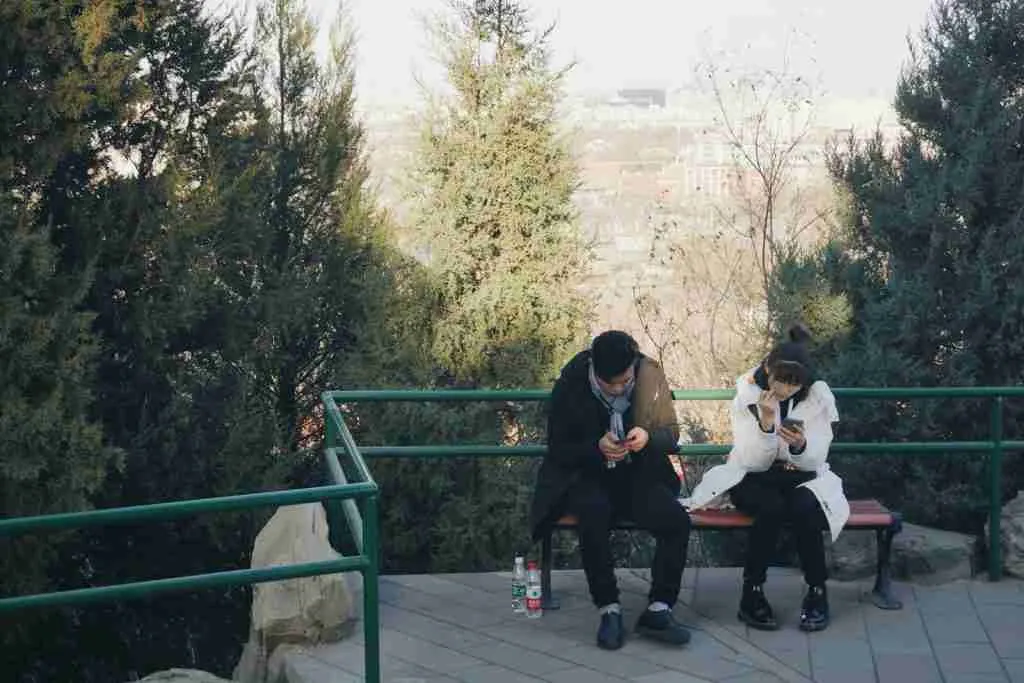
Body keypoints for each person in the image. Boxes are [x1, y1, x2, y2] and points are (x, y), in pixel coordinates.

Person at [529, 330, 692, 650]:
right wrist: (596, 448)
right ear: (594, 371)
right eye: (610, 385)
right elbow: (558, 448)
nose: (619, 389)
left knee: (676, 522)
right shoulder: (572, 383)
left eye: (625, 381)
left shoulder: (649, 374)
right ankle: (609, 609)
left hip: (640, 475)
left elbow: (670, 434)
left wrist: (646, 438)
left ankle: (660, 608)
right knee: (593, 515)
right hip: (588, 476)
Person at [680, 324, 848, 633]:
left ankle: (817, 591)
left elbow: (818, 455)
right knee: (770, 508)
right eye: (780, 381)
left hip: (802, 475)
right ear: (767, 370)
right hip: (752, 476)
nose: (785, 390)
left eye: (793, 385)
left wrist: (799, 445)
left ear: (805, 382)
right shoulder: (748, 393)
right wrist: (768, 426)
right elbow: (751, 460)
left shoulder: (818, 396)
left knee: (804, 507)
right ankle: (752, 592)